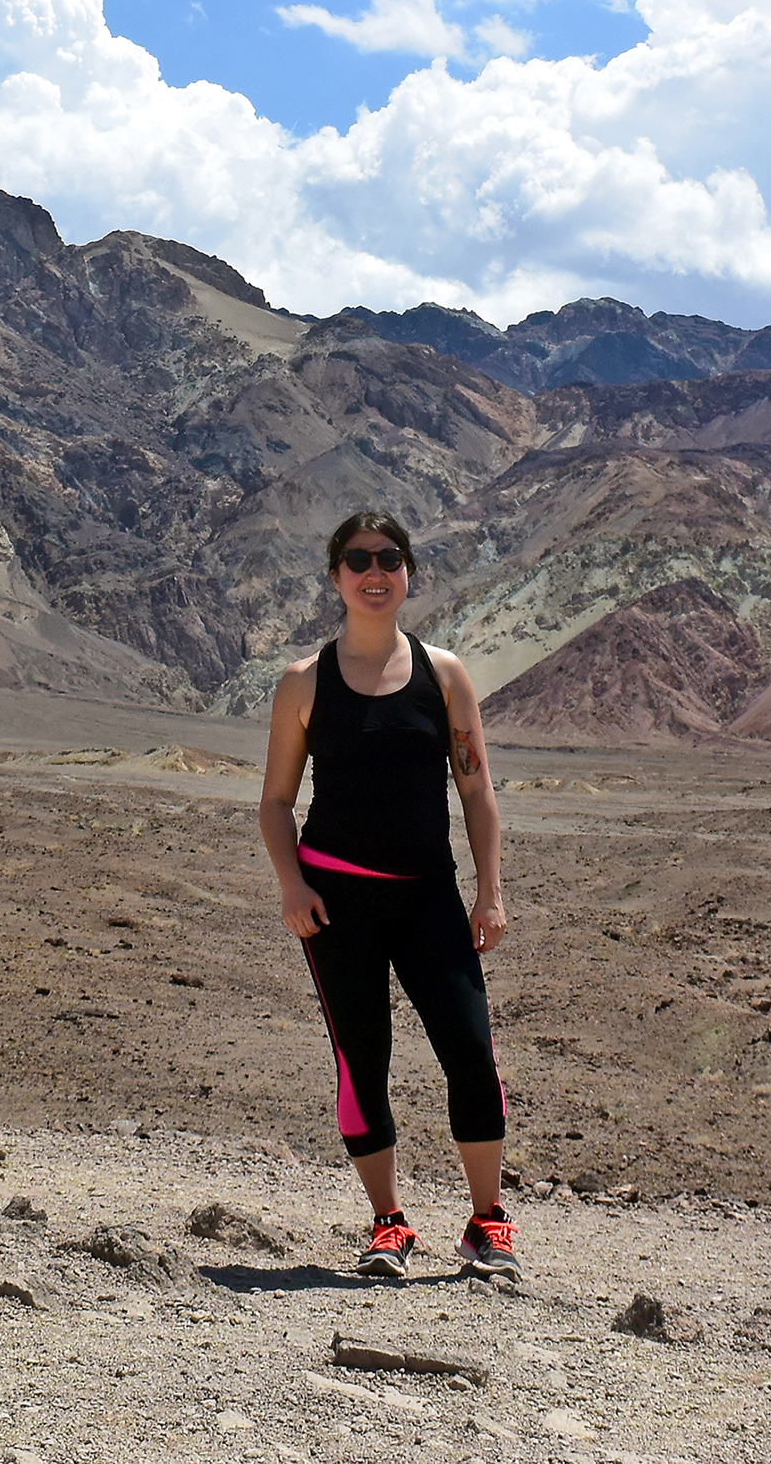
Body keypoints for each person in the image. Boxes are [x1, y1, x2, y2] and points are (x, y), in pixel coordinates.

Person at [258, 511, 521, 1280]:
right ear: (335, 576)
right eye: (358, 559)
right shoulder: (304, 683)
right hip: (336, 907)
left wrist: (490, 893)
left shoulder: (445, 676)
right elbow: (275, 802)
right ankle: (389, 1223)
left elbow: (476, 791)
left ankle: (487, 1221)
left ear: (408, 572)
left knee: (471, 1051)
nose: (375, 572)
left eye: (390, 558)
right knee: (361, 1058)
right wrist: (291, 884)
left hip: (428, 898)